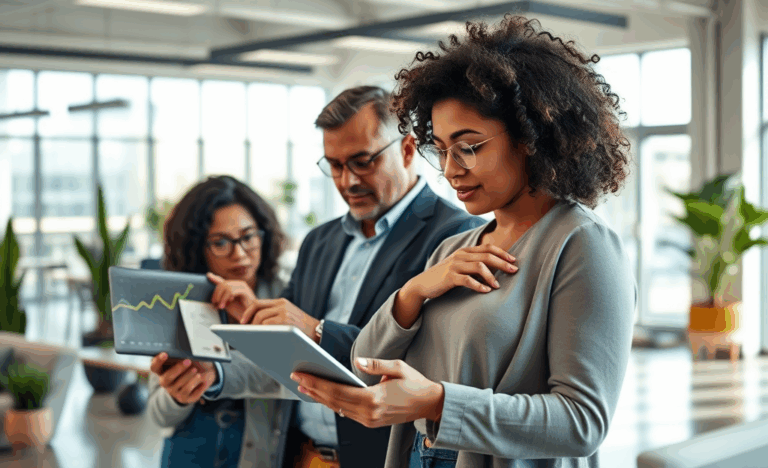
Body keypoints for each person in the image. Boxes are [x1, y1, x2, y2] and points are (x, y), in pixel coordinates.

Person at [290, 16, 637, 468]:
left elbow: (581, 423)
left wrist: (436, 403)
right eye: (442, 149)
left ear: (531, 137)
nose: (451, 169)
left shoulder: (580, 246)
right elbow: (364, 364)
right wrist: (413, 292)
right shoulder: (456, 250)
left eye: (469, 146)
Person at [215, 85, 485, 468]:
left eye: (363, 161)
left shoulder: (458, 236)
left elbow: (436, 366)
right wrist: (253, 323)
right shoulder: (318, 241)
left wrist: (318, 330)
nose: (347, 181)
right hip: (302, 454)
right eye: (335, 165)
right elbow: (286, 355)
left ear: (407, 149)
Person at [147, 175, 290, 468]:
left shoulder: (284, 296)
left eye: (248, 236)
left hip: (253, 450)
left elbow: (294, 377)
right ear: (197, 247)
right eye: (220, 242)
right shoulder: (180, 302)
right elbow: (158, 415)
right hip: (189, 449)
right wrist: (177, 397)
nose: (239, 254)